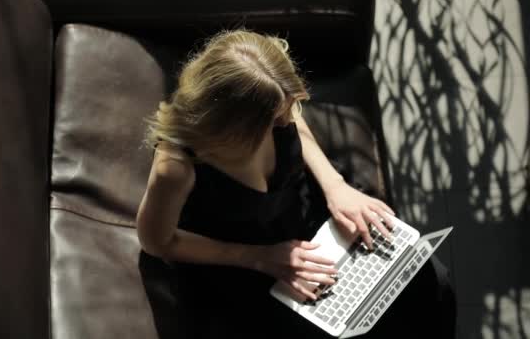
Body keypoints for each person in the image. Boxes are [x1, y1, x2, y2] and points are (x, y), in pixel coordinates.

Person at [136, 29, 455, 339]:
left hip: (305, 222)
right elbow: (157, 242)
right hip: (250, 265)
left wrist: (336, 186)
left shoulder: (274, 106)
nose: (287, 120)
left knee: (431, 282)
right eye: (276, 118)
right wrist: (258, 257)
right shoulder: (177, 166)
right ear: (234, 126)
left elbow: (294, 119)